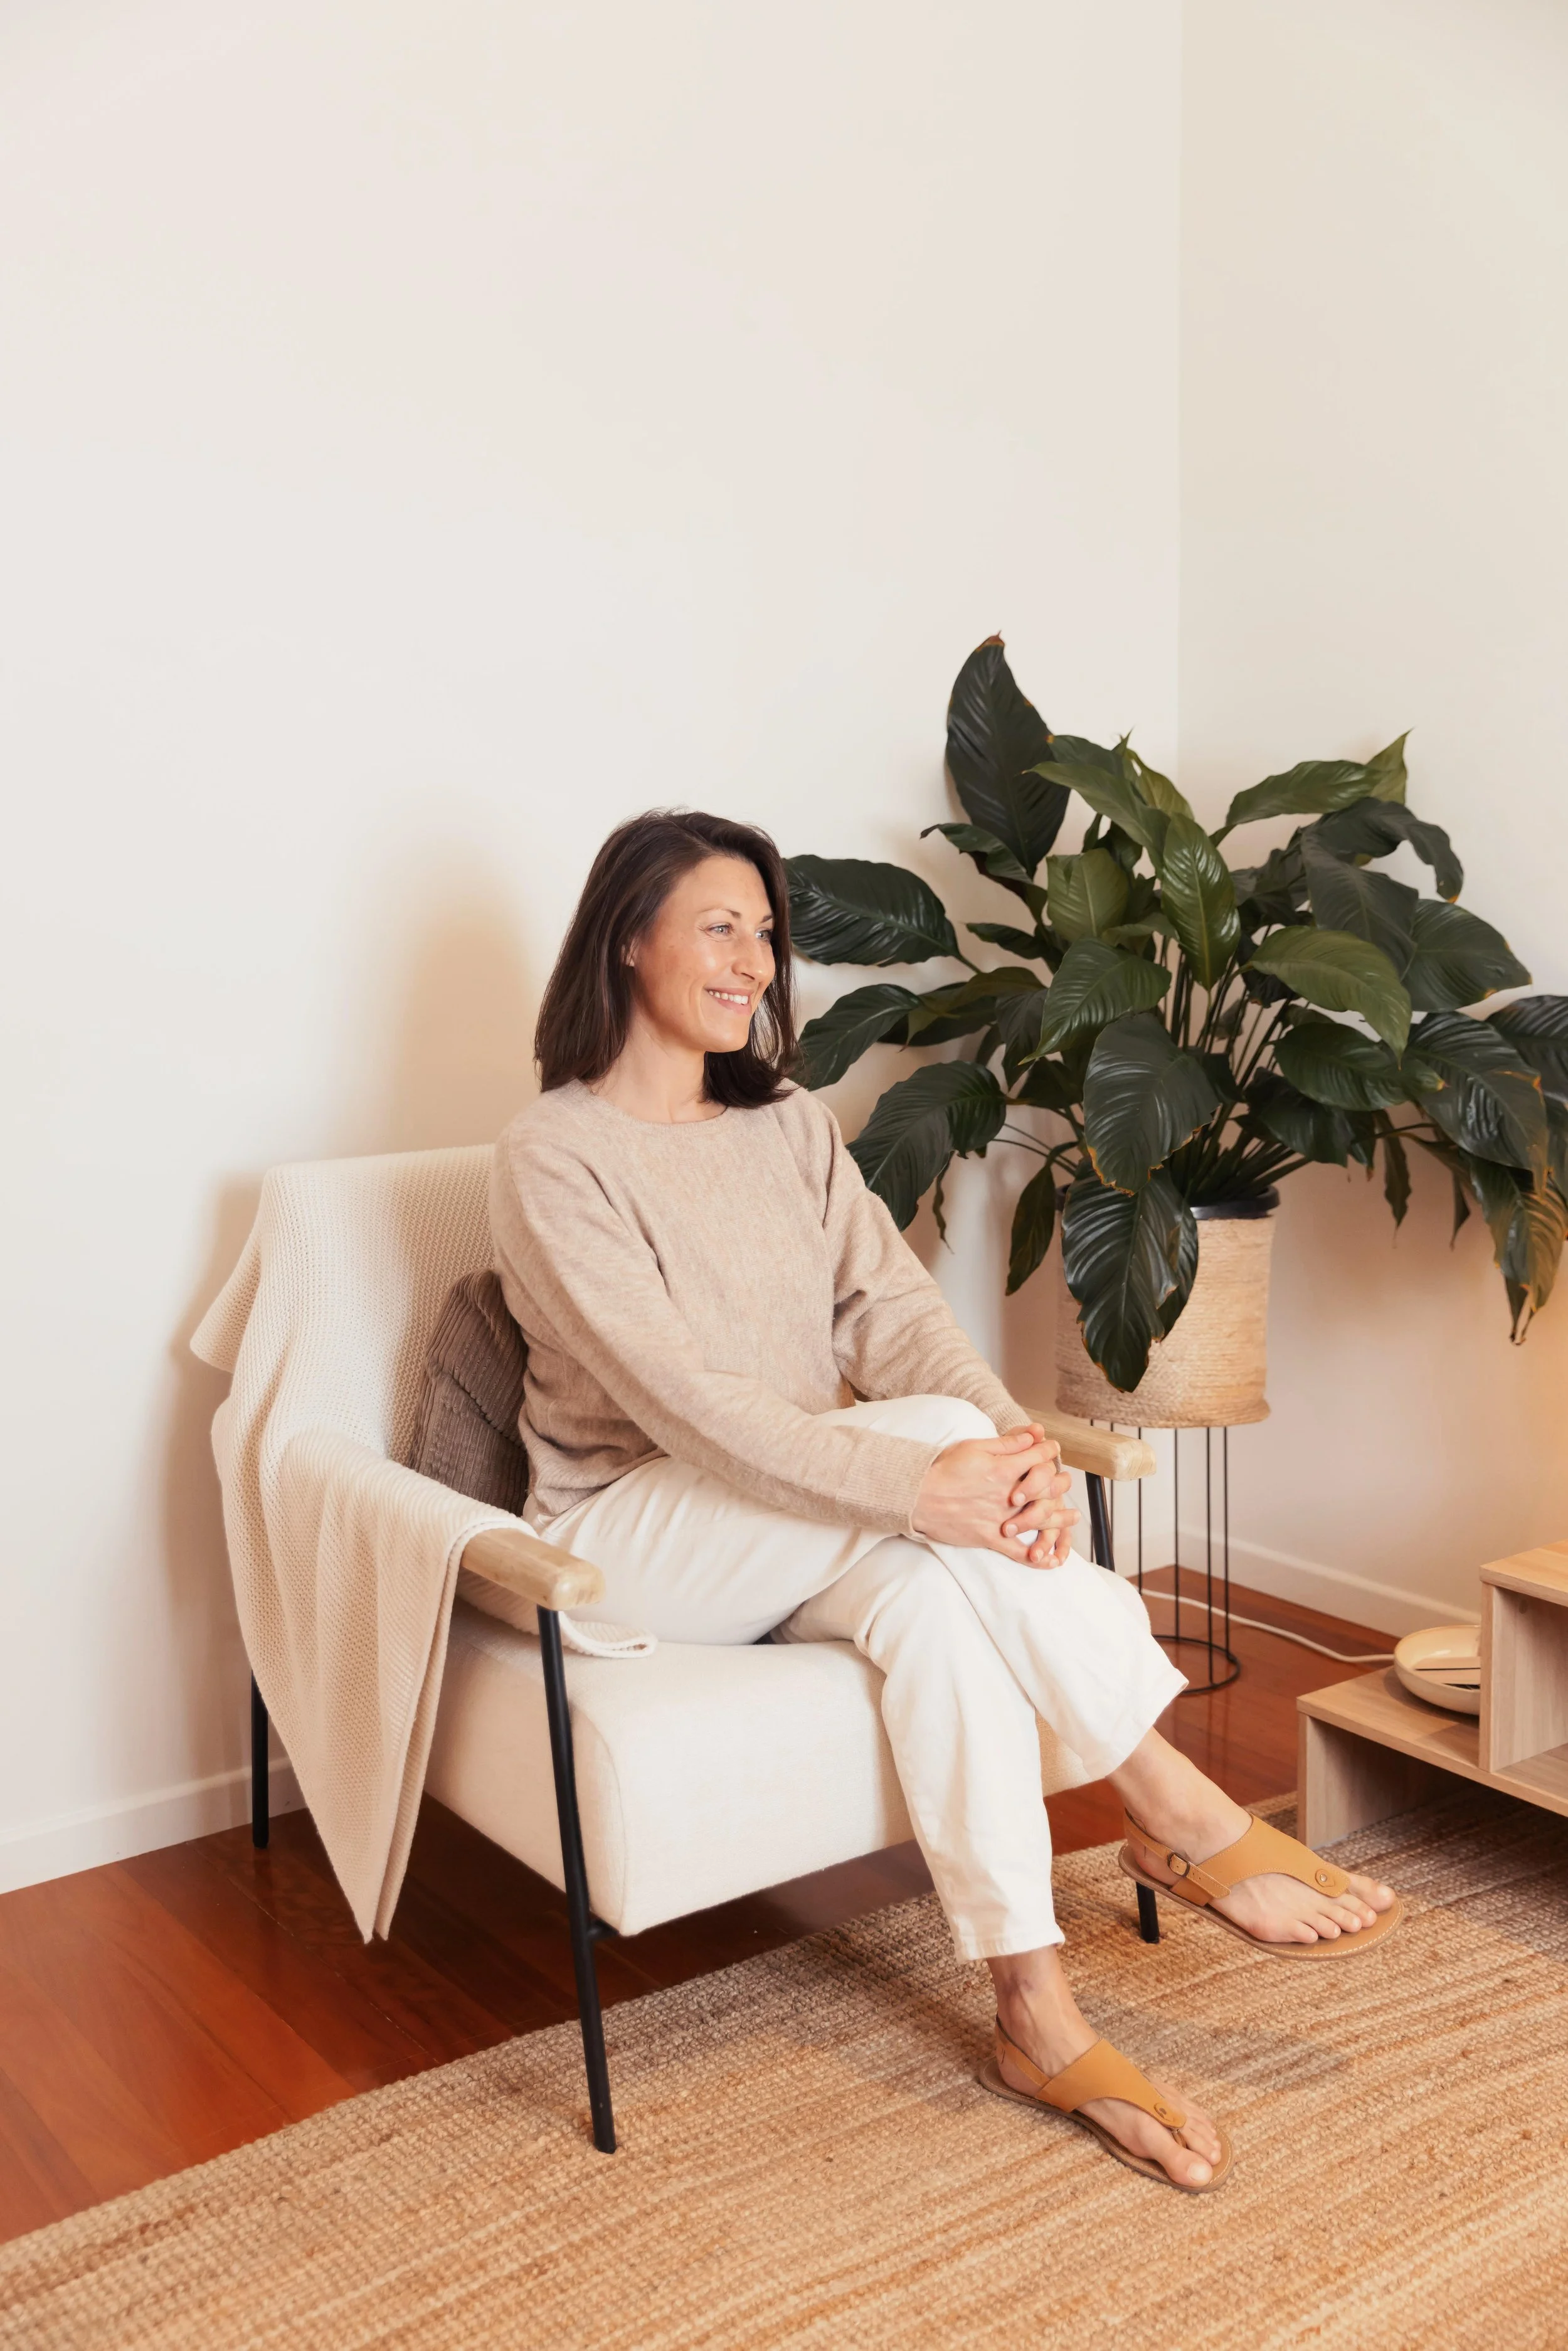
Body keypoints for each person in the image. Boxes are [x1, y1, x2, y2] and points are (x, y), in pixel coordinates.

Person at [491, 809, 1401, 2194]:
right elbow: (677, 1399)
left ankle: (1034, 2015)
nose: (753, 959)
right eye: (717, 925)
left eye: (764, 930)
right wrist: (928, 1465)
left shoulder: (785, 1123)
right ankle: (1168, 1797)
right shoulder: (552, 1153)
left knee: (935, 1590)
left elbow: (890, 1304)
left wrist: (1010, 1444)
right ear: (627, 939)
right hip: (628, 1531)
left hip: (805, 1509)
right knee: (924, 1457)